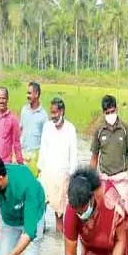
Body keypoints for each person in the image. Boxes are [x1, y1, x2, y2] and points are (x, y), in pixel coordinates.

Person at [90, 95, 128, 209]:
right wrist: (90, 183)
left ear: (117, 109)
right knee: (105, 216)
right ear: (103, 113)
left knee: (124, 214)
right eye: (107, 113)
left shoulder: (124, 129)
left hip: (122, 179)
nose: (110, 115)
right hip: (105, 180)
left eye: (112, 111)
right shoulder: (99, 130)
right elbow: (94, 158)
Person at [37, 97, 78, 233]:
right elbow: (43, 149)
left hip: (62, 176)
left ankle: (59, 242)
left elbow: (73, 154)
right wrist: (39, 170)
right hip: (47, 173)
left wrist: (73, 176)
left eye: (55, 113)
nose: (53, 116)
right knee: (39, 208)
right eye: (52, 113)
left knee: (59, 214)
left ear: (62, 111)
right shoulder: (47, 127)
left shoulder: (70, 128)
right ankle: (39, 238)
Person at [20, 82, 48, 154]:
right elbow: (21, 129)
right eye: (27, 93)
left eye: (29, 93)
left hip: (35, 154)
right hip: (23, 152)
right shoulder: (24, 110)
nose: (27, 95)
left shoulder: (43, 115)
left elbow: (46, 138)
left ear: (36, 94)